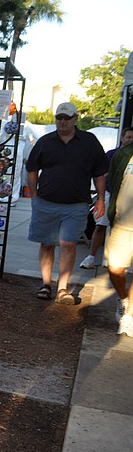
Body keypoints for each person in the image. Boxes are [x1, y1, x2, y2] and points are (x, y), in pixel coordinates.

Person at [25, 102, 108, 304]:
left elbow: (99, 173)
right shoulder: (45, 142)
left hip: (77, 205)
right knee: (47, 244)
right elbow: (32, 169)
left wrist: (100, 199)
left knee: (68, 244)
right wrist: (34, 196)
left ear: (75, 119)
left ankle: (62, 288)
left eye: (67, 118)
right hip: (46, 202)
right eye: (59, 118)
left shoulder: (89, 142)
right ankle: (45, 284)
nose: (62, 122)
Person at [79, 126, 133, 269]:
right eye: (128, 137)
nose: (130, 140)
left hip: (127, 199)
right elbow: (102, 174)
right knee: (101, 225)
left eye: (132, 138)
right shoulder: (111, 154)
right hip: (110, 193)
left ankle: (120, 261)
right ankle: (91, 256)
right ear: (122, 138)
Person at [104, 126, 133, 334]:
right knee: (115, 268)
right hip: (123, 223)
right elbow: (113, 184)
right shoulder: (124, 154)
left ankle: (130, 316)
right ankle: (123, 298)